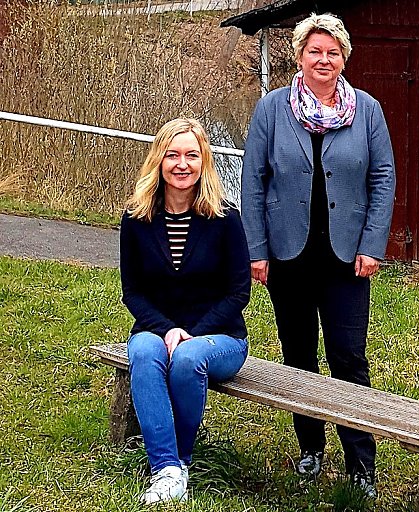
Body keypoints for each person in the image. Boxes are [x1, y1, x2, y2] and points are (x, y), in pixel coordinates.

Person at [241, 13, 395, 499]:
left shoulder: (367, 110)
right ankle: (311, 447)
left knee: (348, 357)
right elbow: (252, 180)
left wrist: (372, 244)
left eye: (332, 52)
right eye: (314, 51)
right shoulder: (271, 109)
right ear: (299, 55)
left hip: (347, 258)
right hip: (288, 255)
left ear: (343, 58)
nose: (323, 60)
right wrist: (257, 249)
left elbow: (382, 178)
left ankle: (360, 464)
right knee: (299, 355)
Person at [120, 118, 251, 505]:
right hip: (155, 329)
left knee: (188, 358)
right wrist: (167, 330)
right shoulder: (136, 219)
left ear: (204, 162)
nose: (182, 164)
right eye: (172, 155)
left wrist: (191, 331)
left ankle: (181, 458)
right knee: (143, 351)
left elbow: (238, 291)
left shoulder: (226, 218)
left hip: (221, 337)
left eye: (191, 155)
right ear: (158, 160)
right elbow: (133, 293)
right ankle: (167, 469)